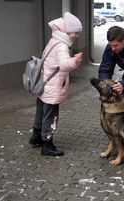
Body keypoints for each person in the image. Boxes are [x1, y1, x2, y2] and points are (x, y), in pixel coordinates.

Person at [28, 12, 83, 156]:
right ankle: (47, 145)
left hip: (44, 84)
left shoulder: (53, 40)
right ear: (67, 31)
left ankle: (36, 137)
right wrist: (76, 61)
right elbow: (64, 65)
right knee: (51, 115)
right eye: (75, 32)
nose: (76, 36)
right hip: (52, 86)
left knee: (41, 111)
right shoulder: (62, 46)